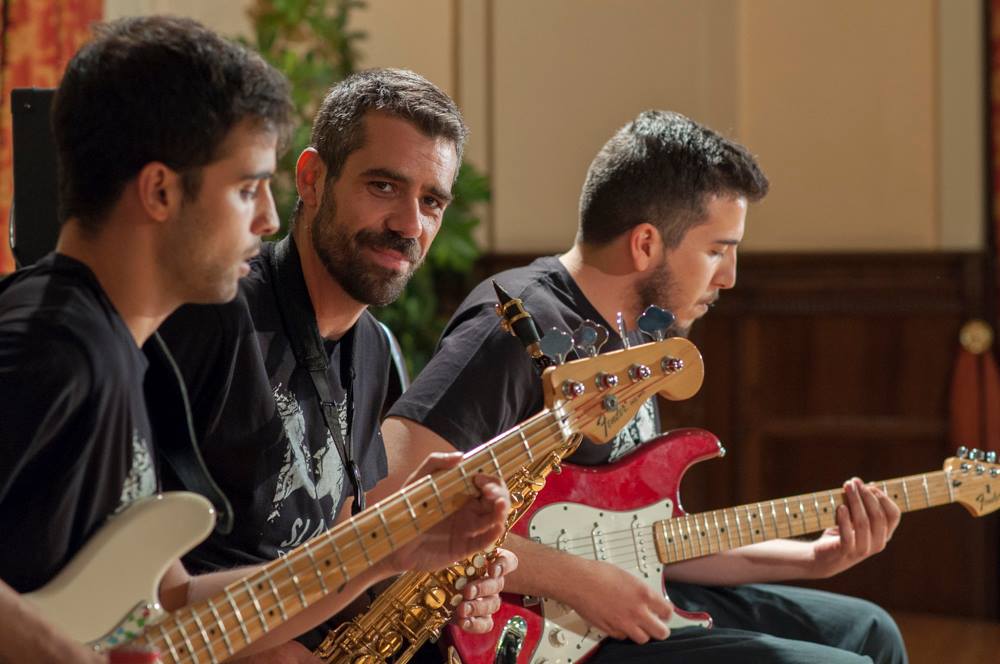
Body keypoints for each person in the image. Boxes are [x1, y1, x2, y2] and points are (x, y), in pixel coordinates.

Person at [0, 19, 508, 663]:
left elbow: (173, 605)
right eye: (246, 189)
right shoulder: (55, 343)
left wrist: (389, 546)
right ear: (160, 190)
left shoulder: (111, 350)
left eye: (432, 200)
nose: (268, 218)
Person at [383, 110, 907, 663]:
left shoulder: (639, 335)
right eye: (717, 250)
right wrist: (577, 581)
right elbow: (399, 502)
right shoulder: (514, 325)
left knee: (870, 631)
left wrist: (814, 558)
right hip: (532, 633)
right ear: (645, 244)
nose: (729, 277)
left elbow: (645, 538)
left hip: (618, 599)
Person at [157, 68, 517, 661]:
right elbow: (139, 591)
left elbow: (339, 552)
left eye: (431, 201)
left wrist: (433, 576)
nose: (410, 225)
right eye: (383, 186)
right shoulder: (210, 317)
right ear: (312, 178)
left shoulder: (376, 349)